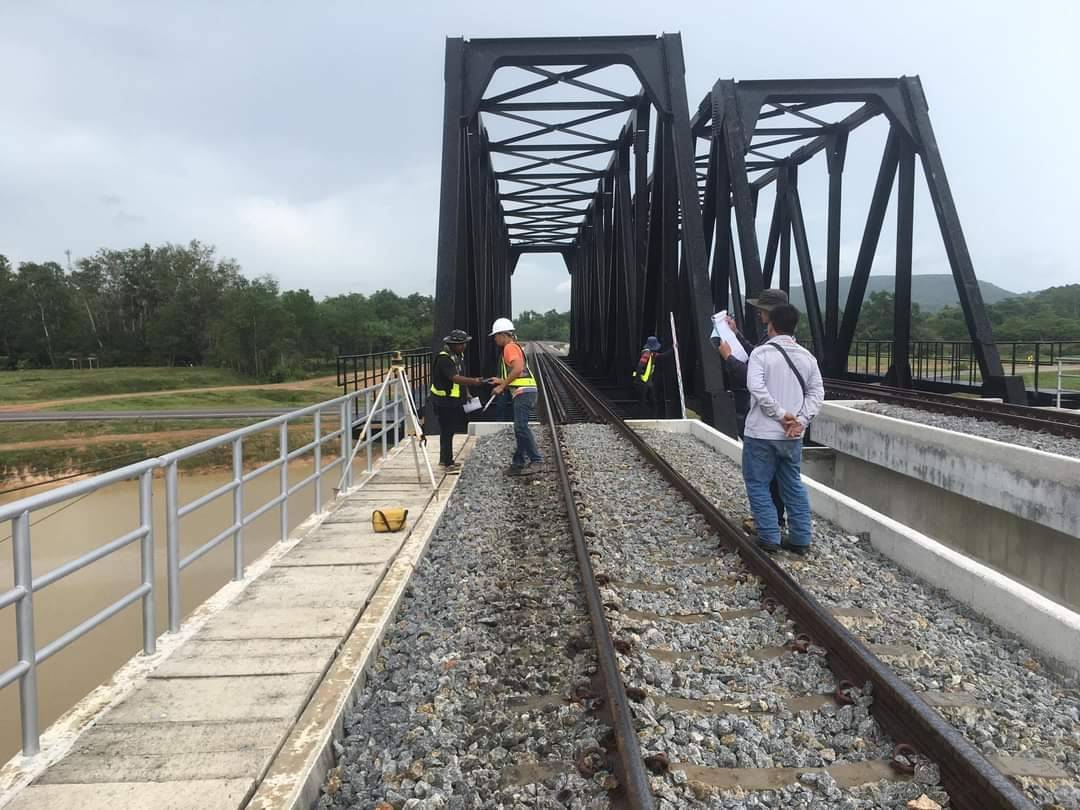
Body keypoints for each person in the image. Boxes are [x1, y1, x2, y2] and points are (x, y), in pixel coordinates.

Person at [742, 303, 824, 554]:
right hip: (791, 437)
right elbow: (817, 392)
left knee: (758, 483)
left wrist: (780, 415)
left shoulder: (761, 354)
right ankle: (801, 539)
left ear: (771, 326)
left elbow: (756, 388)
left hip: (761, 433)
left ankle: (769, 537)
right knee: (792, 485)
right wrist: (800, 420)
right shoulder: (807, 356)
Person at [714, 289, 790, 534]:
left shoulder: (773, 345)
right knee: (778, 476)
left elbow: (751, 377)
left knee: (761, 475)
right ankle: (777, 521)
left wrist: (728, 358)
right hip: (780, 420)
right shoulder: (779, 342)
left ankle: (769, 525)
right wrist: (736, 334)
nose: (758, 311)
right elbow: (754, 354)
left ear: (772, 313)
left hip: (767, 421)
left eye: (762, 308)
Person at [488, 318, 543, 475]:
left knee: (521, 427)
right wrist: (501, 380)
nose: (495, 339)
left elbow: (518, 368)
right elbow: (518, 372)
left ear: (504, 335)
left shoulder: (509, 348)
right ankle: (518, 463)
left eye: (496, 335)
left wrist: (502, 386)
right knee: (520, 427)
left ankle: (536, 461)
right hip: (525, 390)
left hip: (523, 392)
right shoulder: (515, 347)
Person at [429, 329, 485, 471]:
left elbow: (461, 375)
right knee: (447, 431)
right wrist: (474, 382)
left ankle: (446, 460)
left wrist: (466, 393)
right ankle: (447, 462)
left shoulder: (457, 356)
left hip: (453, 400)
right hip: (444, 401)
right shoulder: (444, 359)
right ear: (453, 344)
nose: (464, 346)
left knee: (450, 430)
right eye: (462, 344)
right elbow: (454, 377)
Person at [632, 336, 674, 418]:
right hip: (642, 382)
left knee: (652, 402)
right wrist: (639, 379)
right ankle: (641, 418)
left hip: (647, 382)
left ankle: (653, 417)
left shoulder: (652, 354)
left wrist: (673, 349)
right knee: (643, 402)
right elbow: (640, 366)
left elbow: (663, 356)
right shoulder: (646, 355)